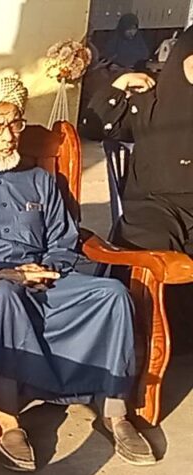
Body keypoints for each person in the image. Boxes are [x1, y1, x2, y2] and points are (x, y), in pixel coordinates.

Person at [0, 75, 155, 472]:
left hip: (50, 277)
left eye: (15, 124)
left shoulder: (40, 180)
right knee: (5, 298)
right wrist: (3, 273)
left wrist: (48, 269)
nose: (9, 136)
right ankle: (5, 416)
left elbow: (64, 238)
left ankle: (115, 411)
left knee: (111, 294)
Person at [85, 26, 193, 340]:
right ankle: (152, 339)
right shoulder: (148, 102)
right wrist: (118, 85)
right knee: (157, 254)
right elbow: (93, 126)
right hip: (153, 206)